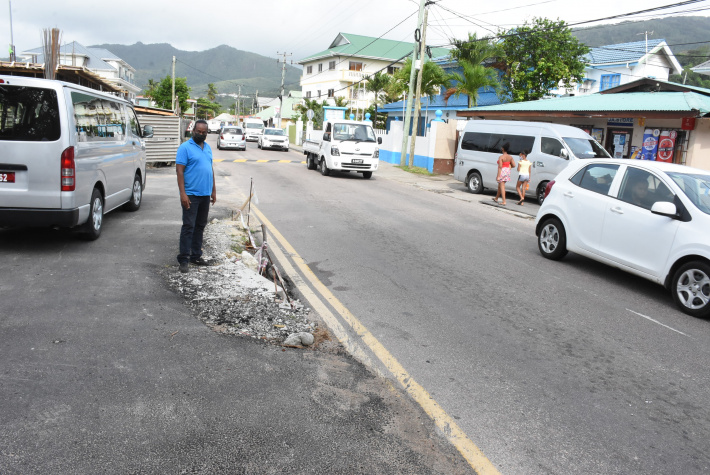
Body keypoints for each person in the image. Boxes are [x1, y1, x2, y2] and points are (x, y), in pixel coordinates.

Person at [176, 120, 216, 273]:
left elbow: (210, 169)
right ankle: (184, 259)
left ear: (207, 132)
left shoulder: (208, 148)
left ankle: (196, 256)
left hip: (205, 194)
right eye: (198, 131)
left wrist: (213, 191)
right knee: (188, 226)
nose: (201, 134)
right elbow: (179, 171)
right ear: (193, 130)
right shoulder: (185, 148)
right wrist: (183, 193)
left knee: (200, 226)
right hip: (191, 194)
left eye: (204, 132)